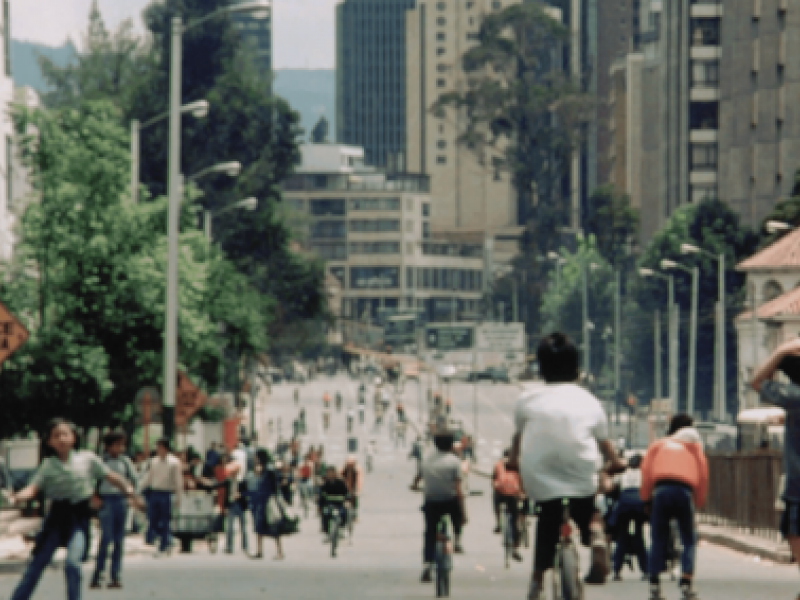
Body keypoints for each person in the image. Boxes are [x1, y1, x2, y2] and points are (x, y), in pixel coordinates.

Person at [510, 333, 625, 600]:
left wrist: (514, 463)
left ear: (541, 368)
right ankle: (595, 534)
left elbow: (517, 441)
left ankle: (537, 580)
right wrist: (617, 463)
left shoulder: (526, 400)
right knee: (588, 508)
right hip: (580, 472)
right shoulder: (590, 402)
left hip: (539, 474)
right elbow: (606, 446)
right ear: (576, 369)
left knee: (548, 515)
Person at [8, 419, 142, 600]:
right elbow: (33, 488)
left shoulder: (87, 459)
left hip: (78, 519)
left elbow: (110, 476)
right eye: (56, 435)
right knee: (37, 564)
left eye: (65, 434)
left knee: (73, 565)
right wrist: (18, 496)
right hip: (55, 519)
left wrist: (127, 489)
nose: (61, 439)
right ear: (50, 441)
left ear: (74, 438)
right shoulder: (48, 465)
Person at [640, 414, 707, 600]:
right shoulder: (695, 448)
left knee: (658, 539)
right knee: (689, 539)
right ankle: (686, 582)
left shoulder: (658, 445)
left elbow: (646, 473)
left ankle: (654, 584)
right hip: (685, 492)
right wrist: (698, 502)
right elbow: (702, 477)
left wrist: (645, 500)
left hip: (660, 491)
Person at [751, 337, 800, 590]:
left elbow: (756, 381)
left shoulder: (793, 396)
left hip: (798, 482)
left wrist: (779, 351)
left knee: (794, 530)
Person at [90, 430, 138, 590]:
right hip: (106, 500)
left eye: (122, 445)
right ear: (109, 446)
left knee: (119, 540)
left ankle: (115, 575)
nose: (121, 448)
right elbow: (92, 482)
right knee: (106, 539)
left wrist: (131, 494)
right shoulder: (101, 461)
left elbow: (134, 479)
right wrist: (95, 499)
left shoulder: (125, 462)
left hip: (121, 500)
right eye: (117, 445)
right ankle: (97, 574)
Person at [420, 431, 467, 584]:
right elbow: (458, 489)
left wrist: (414, 485)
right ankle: (458, 539)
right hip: (449, 501)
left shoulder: (426, 460)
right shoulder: (454, 462)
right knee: (457, 516)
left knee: (429, 532)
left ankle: (427, 564)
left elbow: (418, 477)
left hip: (432, 502)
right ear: (451, 444)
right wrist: (464, 513)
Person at [139, 437, 184, 558]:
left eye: (159, 447)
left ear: (165, 448)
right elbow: (149, 477)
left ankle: (163, 545)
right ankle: (167, 539)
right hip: (154, 493)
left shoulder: (174, 462)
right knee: (152, 519)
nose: (157, 449)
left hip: (166, 493)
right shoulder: (154, 461)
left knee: (165, 520)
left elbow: (178, 481)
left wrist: (179, 497)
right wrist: (138, 488)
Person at [608, 453, 648, 581]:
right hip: (639, 504)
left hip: (624, 504)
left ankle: (616, 571)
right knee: (639, 536)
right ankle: (645, 570)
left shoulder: (622, 475)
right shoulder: (644, 474)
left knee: (622, 537)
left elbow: (612, 490)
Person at [249, 449, 284, 560]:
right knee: (259, 528)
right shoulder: (263, 469)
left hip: (267, 502)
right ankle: (260, 551)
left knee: (272, 527)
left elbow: (274, 486)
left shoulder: (269, 470)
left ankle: (279, 552)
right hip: (261, 501)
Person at [492, 449, 523, 562]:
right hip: (513, 495)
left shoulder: (498, 464)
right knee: (515, 522)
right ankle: (515, 549)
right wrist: (521, 494)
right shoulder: (518, 464)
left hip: (500, 493)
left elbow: (494, 479)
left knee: (495, 498)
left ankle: (498, 523)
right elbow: (521, 482)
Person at [318, 466, 349, 555]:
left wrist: (347, 501)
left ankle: (342, 528)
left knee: (343, 513)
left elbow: (346, 493)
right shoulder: (325, 484)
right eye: (329, 473)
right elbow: (321, 496)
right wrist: (320, 506)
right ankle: (327, 532)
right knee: (325, 514)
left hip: (339, 505)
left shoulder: (341, 483)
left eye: (332, 473)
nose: (330, 475)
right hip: (329, 505)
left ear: (335, 474)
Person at [224, 449, 249, 554]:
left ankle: (245, 546)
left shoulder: (242, 481)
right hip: (231, 505)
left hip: (240, 505)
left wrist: (241, 495)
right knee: (229, 527)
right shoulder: (229, 481)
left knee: (243, 527)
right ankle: (229, 546)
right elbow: (223, 491)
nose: (233, 473)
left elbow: (247, 493)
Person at [341, 456, 363, 523]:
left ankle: (355, 516)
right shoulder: (343, 470)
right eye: (348, 464)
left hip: (353, 488)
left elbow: (359, 480)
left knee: (355, 500)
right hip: (344, 489)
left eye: (352, 464)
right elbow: (339, 477)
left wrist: (358, 490)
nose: (350, 466)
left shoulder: (356, 471)